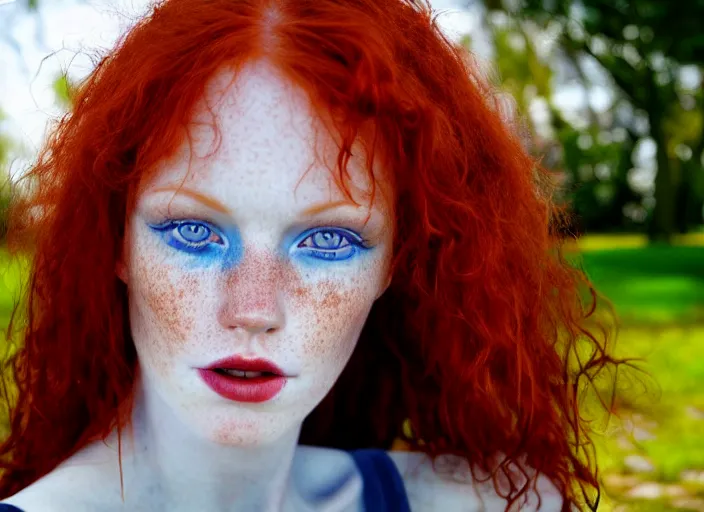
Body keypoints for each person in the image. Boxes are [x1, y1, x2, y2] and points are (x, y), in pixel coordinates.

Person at [0, 0, 619, 510]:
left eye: (330, 240)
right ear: (117, 243)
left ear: (394, 265)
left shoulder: (500, 504)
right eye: (192, 230)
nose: (254, 309)